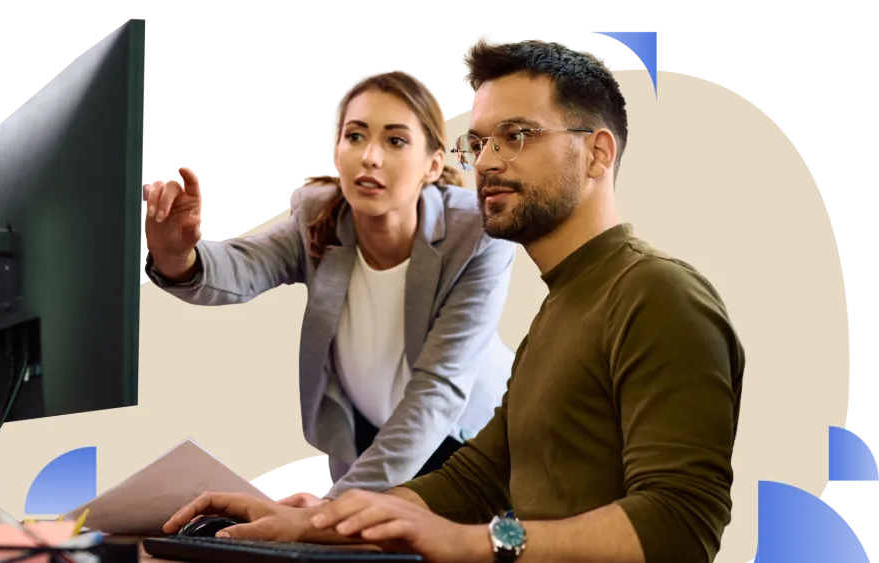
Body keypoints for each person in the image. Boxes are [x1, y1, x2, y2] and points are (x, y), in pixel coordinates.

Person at [162, 35, 746, 563]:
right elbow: (476, 479)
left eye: (516, 135)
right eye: (480, 142)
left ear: (596, 154)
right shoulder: (559, 307)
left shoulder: (658, 293)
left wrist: (477, 542)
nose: (488, 161)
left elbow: (681, 523)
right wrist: (317, 521)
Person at [142, 68, 517, 504]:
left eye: (395, 141)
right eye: (355, 137)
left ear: (433, 165)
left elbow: (438, 389)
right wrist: (176, 256)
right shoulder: (319, 217)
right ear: (337, 154)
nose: (370, 157)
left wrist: (332, 507)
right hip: (371, 443)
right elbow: (242, 267)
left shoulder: (476, 234)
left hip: (471, 447)